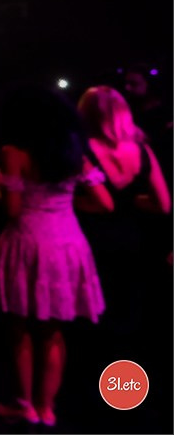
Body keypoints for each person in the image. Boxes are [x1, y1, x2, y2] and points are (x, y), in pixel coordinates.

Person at [0, 85, 112, 429]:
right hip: (67, 241)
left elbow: (12, 209)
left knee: (21, 328)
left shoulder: (13, 152)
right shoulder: (74, 153)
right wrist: (68, 207)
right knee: (54, 331)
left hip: (27, 240)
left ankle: (24, 404)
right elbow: (105, 202)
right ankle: (48, 408)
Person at [75, 85, 171, 421]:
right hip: (132, 241)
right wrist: (131, 203)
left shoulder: (82, 150)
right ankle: (125, 396)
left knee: (92, 319)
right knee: (128, 318)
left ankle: (91, 399)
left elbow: (88, 200)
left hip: (92, 242)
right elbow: (163, 204)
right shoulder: (142, 150)